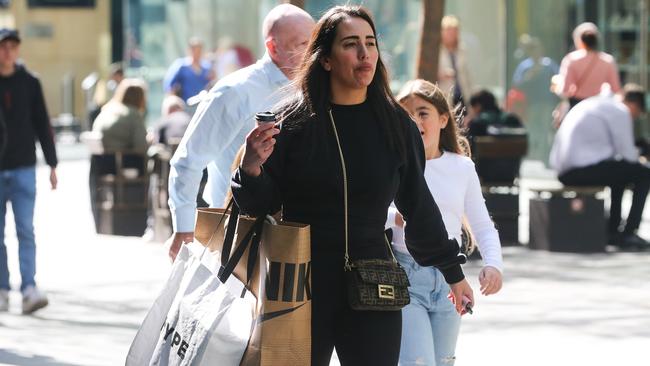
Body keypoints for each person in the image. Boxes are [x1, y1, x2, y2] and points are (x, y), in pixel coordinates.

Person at [232, 6, 474, 365]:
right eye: (351, 44)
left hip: (375, 281)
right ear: (326, 60)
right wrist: (251, 168)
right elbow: (260, 206)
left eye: (370, 43)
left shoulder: (396, 125)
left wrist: (452, 272)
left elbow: (418, 205)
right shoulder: (294, 123)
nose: (364, 54)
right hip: (301, 283)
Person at [166, 4, 315, 260]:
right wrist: (184, 227)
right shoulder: (236, 91)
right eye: (301, 44)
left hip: (297, 236)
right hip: (237, 234)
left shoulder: (313, 88)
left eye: (313, 43)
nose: (310, 52)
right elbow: (189, 160)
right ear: (272, 46)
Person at [386, 79, 503, 366]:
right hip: (406, 277)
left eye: (422, 112)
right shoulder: (391, 164)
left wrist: (494, 264)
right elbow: (368, 212)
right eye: (406, 114)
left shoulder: (461, 167)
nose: (414, 121)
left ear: (442, 119)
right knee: (417, 361)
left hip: (451, 280)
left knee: (443, 361)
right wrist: (395, 216)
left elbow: (482, 223)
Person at [550, 84, 649, 250]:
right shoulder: (620, 110)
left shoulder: (599, 103)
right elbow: (628, 155)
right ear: (634, 105)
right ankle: (629, 233)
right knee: (645, 174)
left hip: (565, 169)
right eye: (637, 114)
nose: (634, 118)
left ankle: (613, 230)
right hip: (579, 169)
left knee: (620, 174)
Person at [0, 28, 58, 314]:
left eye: (12, 46)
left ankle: (29, 289)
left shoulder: (30, 82)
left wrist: (52, 164)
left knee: (25, 231)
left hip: (24, 167)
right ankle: (1, 289)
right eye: (3, 46)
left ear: (18, 49)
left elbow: (42, 123)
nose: (7, 51)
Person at [466, 89, 526, 184]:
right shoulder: (513, 120)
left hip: (484, 175)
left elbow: (468, 151)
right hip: (511, 173)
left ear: (477, 106)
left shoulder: (477, 124)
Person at [555, 22, 621, 108]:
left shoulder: (571, 59)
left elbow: (565, 90)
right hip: (597, 105)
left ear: (579, 40)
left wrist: (557, 86)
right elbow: (616, 89)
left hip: (577, 105)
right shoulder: (607, 60)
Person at [92, 78, 148, 155]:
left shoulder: (108, 109)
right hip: (120, 161)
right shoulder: (133, 114)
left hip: (100, 161)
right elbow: (141, 147)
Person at [163, 37, 214, 103]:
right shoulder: (181, 66)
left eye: (199, 50)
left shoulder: (207, 68)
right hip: (186, 104)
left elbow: (211, 85)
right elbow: (170, 86)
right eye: (194, 50)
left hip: (202, 104)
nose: (197, 53)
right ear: (190, 50)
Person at [438, 15, 473, 108]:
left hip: (462, 96)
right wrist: (442, 75)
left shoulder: (462, 50)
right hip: (444, 95)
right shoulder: (437, 51)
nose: (452, 34)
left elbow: (467, 75)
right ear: (442, 32)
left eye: (454, 31)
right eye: (449, 31)